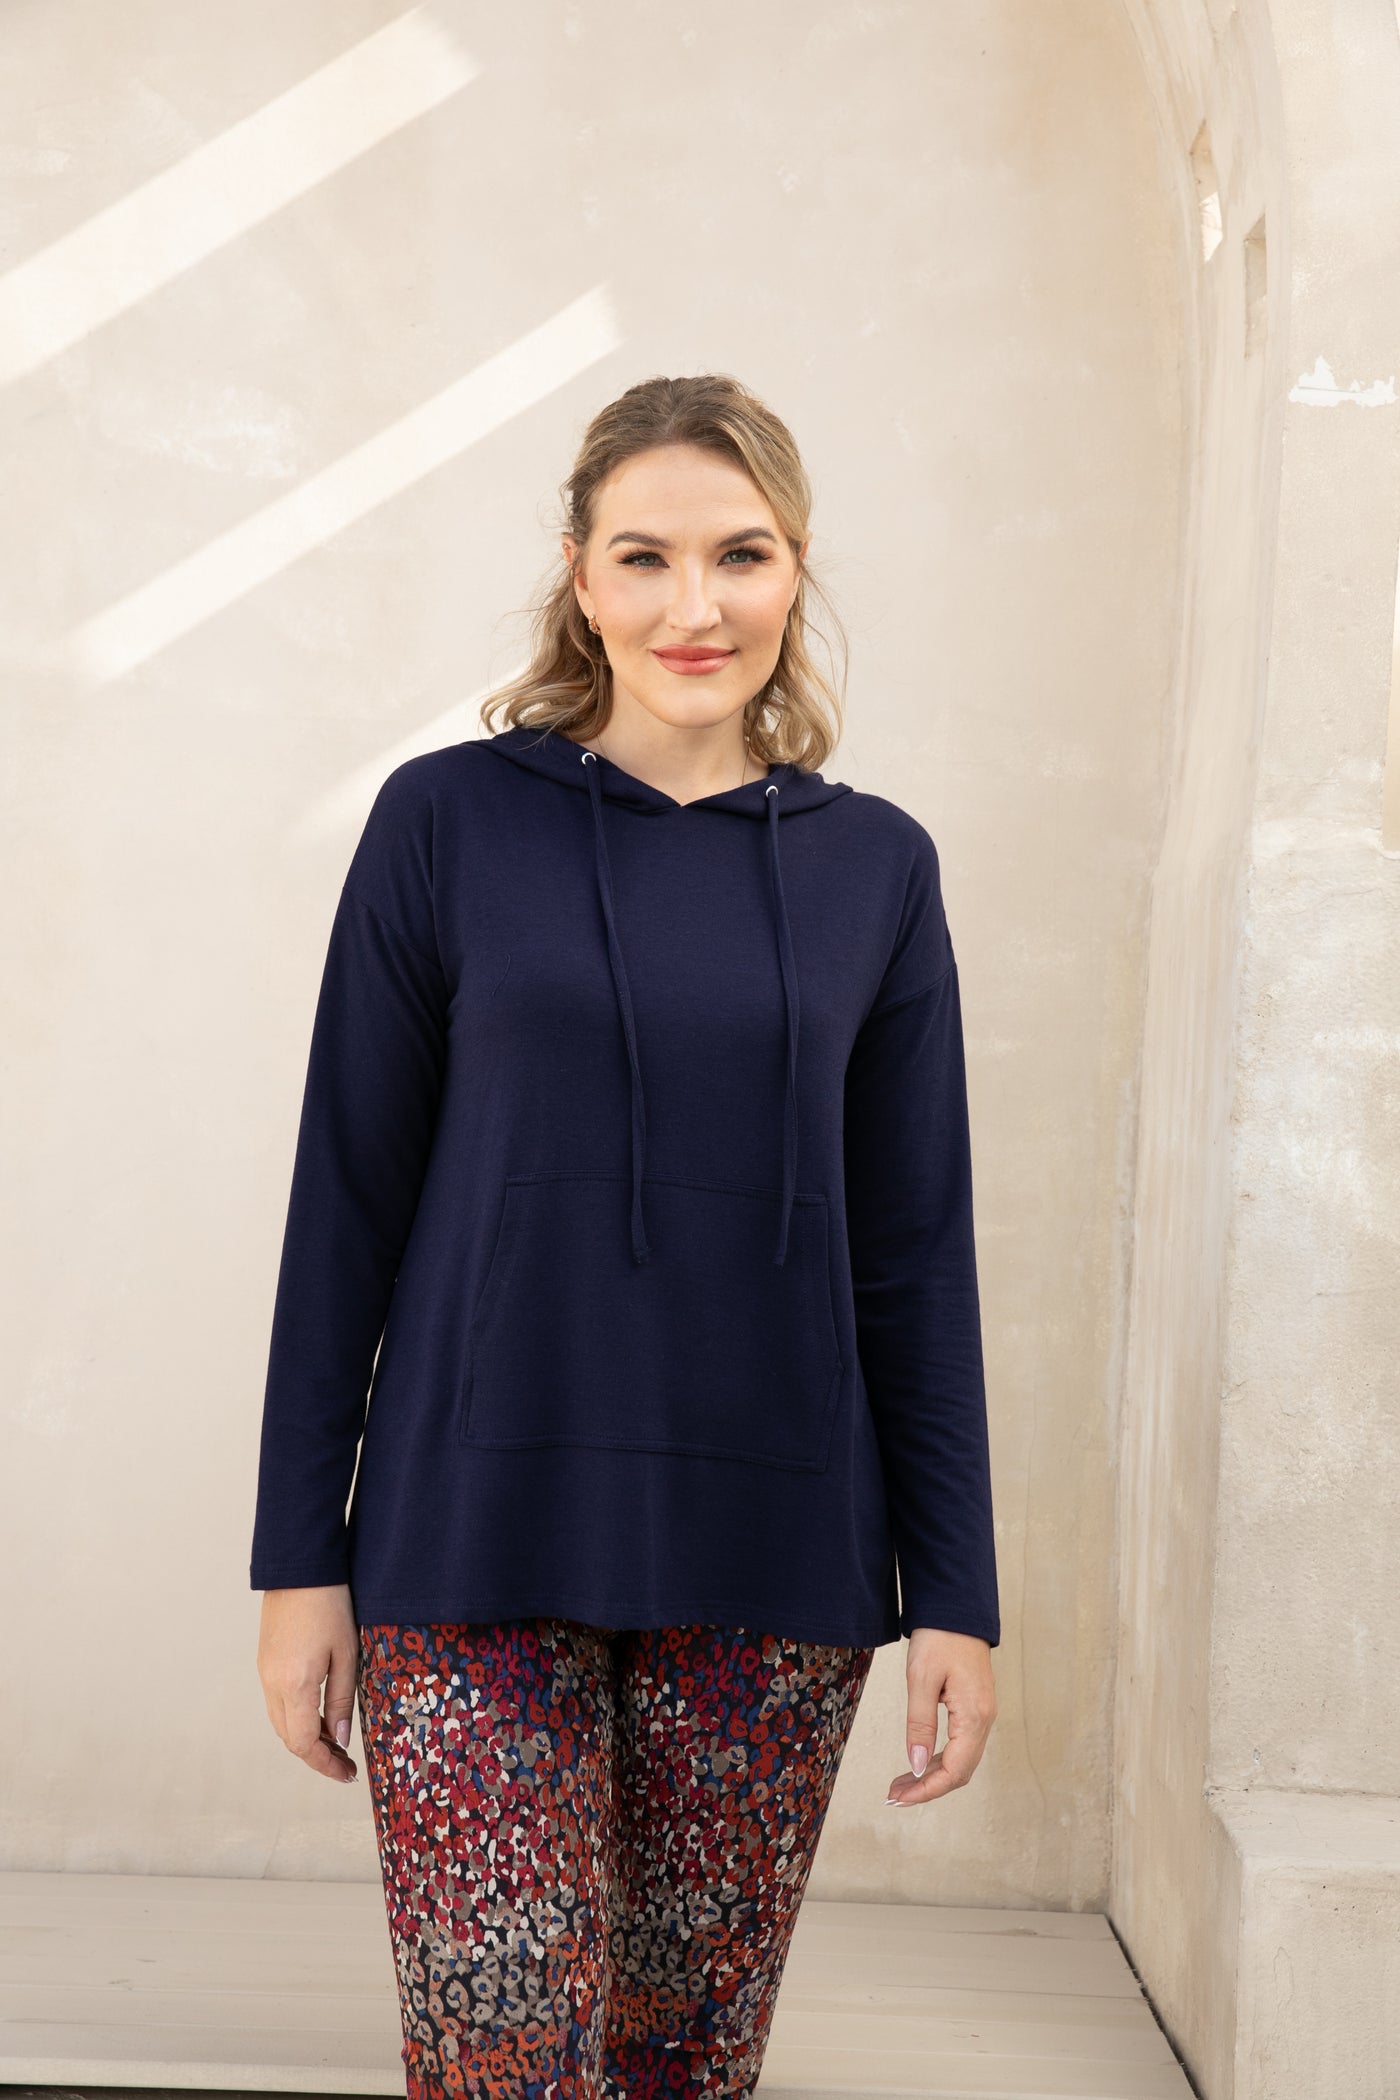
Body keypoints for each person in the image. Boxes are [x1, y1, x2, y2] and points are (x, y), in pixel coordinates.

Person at [251, 372, 1000, 2098]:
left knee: (680, 2075)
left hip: (779, 1560)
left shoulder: (877, 871)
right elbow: (345, 1204)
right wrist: (300, 1561)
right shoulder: (445, 823)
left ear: (795, 570)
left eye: (739, 554)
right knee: (505, 2066)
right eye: (645, 557)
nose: (693, 606)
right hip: (469, 1542)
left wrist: (955, 1596)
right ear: (581, 577)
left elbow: (914, 1255)